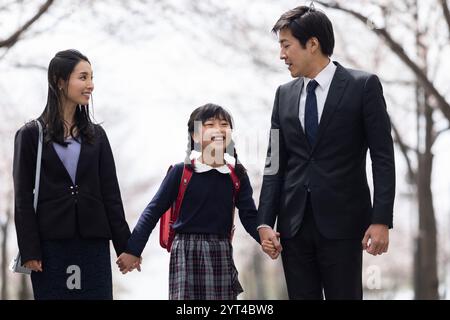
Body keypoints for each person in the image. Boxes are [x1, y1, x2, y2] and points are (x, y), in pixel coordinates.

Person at [257, 5, 396, 299]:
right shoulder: (284, 95)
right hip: (293, 227)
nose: (281, 54)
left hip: (344, 225)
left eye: (286, 45)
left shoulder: (363, 86)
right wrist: (265, 221)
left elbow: (382, 157)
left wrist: (381, 218)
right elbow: (274, 163)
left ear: (312, 44)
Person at [117, 103, 269, 300]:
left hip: (221, 250)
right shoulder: (181, 172)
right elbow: (152, 212)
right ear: (195, 136)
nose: (219, 129)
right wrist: (133, 250)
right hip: (186, 252)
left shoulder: (237, 175)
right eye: (210, 124)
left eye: (224, 124)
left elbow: (249, 216)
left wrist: (265, 239)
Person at [13, 49, 131, 299]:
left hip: (93, 244)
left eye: (91, 77)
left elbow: (111, 195)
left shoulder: (97, 136)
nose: (91, 85)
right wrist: (30, 250)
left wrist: (126, 247)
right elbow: (23, 197)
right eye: (83, 77)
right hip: (50, 246)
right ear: (60, 80)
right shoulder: (31, 134)